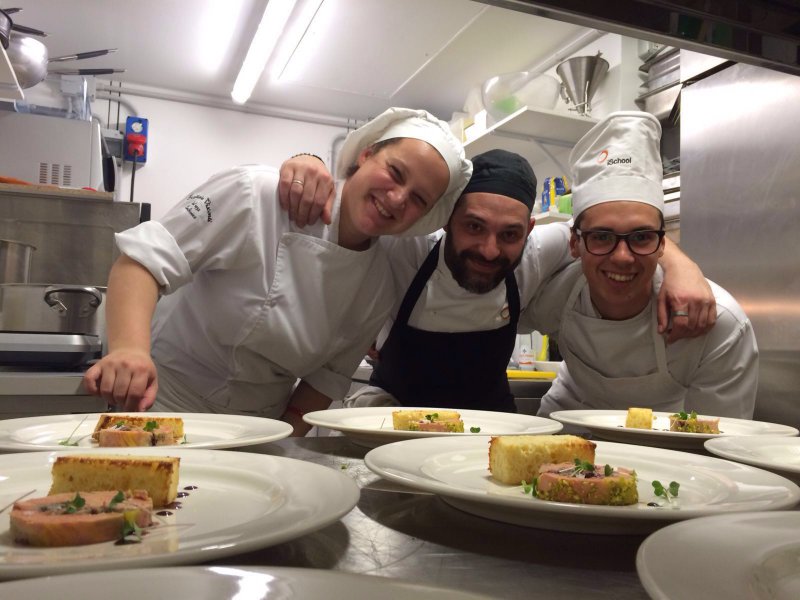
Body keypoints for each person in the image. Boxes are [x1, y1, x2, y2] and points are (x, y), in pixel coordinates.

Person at [83, 107, 472, 435]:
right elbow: (142, 263)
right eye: (396, 172)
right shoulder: (257, 194)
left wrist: (284, 443)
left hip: (257, 430)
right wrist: (129, 351)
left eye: (418, 198)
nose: (398, 198)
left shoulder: (378, 285)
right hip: (160, 404)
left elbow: (325, 380)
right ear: (367, 155)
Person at [278, 144, 717, 412]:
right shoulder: (406, 247)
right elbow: (352, 208)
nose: (490, 250)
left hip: (491, 425)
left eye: (508, 234)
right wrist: (308, 161)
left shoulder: (540, 251)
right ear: (448, 219)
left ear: (528, 232)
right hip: (392, 416)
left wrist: (680, 265)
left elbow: (616, 228)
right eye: (474, 227)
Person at [521, 111, 758, 418]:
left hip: (666, 440)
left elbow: (720, 446)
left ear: (662, 244)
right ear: (575, 244)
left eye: (641, 237)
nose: (622, 256)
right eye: (602, 237)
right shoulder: (554, 295)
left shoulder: (719, 325)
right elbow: (486, 313)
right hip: (570, 420)